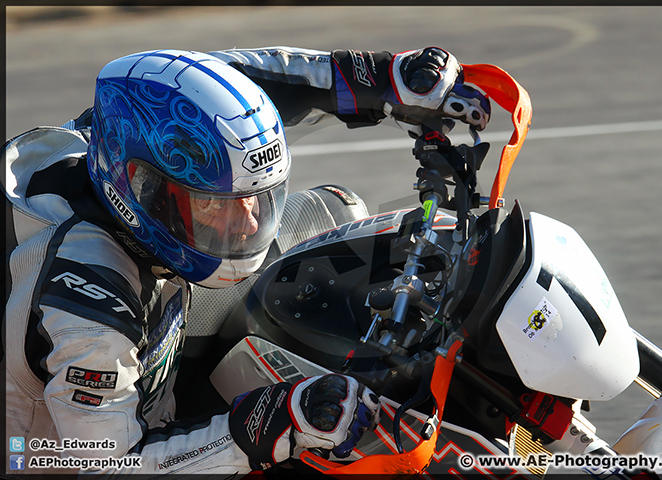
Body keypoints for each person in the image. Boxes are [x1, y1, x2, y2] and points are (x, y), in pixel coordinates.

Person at [3, 46, 490, 476]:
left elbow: (247, 82)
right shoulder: (87, 308)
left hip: (153, 326)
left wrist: (386, 78)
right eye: (216, 203)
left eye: (257, 197)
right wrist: (272, 424)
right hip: (57, 454)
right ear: (144, 189)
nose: (253, 224)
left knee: (338, 214)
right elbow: (108, 467)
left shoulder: (134, 133)